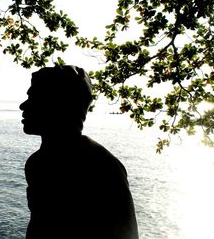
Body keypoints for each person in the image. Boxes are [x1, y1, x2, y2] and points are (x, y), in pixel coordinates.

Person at [19, 64, 139, 239]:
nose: (23, 106)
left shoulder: (101, 167)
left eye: (34, 98)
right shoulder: (37, 163)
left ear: (57, 106)